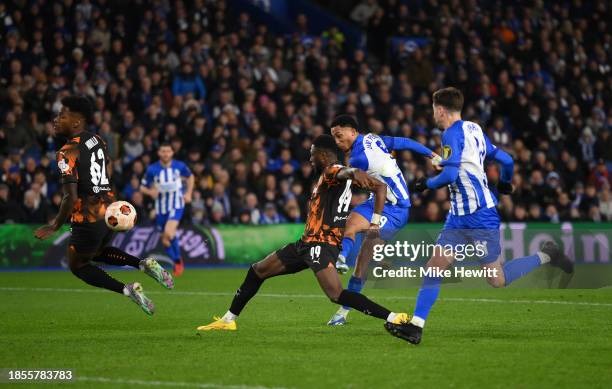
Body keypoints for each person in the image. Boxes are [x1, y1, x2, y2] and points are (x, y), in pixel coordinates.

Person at [385, 87, 574, 344]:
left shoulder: (450, 134)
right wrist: (505, 183)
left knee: (497, 279)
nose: (433, 115)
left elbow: (451, 176)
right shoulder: (474, 128)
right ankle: (416, 326)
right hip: (458, 216)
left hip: (480, 216)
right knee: (434, 266)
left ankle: (547, 254)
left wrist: (424, 185)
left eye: (433, 110)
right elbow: (506, 159)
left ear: (440, 110)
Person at [197, 135, 409, 331]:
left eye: (312, 154)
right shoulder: (334, 174)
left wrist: (354, 173)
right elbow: (378, 187)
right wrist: (354, 175)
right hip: (306, 243)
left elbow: (355, 176)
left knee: (336, 295)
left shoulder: (331, 171)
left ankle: (393, 317)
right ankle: (228, 320)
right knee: (258, 270)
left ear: (323, 156)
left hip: (321, 244)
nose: (309, 159)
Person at [33, 95, 174, 316]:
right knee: (97, 251)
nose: (56, 119)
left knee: (78, 265)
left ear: (77, 122)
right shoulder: (98, 140)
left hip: (88, 217)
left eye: (63, 115)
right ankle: (143, 264)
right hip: (109, 210)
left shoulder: (66, 152)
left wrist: (55, 225)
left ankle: (128, 290)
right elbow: (103, 169)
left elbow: (69, 197)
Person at [327, 114, 440, 325]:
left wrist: (375, 221)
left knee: (362, 264)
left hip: (395, 209)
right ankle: (342, 258)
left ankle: (343, 309)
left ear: (353, 132)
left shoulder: (358, 159)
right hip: (376, 200)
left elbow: (380, 187)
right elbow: (404, 142)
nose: (337, 142)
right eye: (334, 137)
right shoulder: (373, 139)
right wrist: (431, 154)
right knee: (349, 225)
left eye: (340, 136)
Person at [140, 143, 194, 276]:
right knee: (165, 240)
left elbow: (190, 177)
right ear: (159, 153)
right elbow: (142, 187)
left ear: (172, 153)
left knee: (168, 234)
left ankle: (177, 261)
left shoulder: (179, 166)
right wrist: (150, 192)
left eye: (168, 151)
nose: (165, 154)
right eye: (163, 151)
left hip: (176, 204)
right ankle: (177, 261)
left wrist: (188, 193)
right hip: (160, 208)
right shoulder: (152, 169)